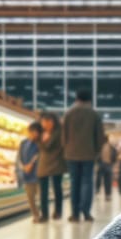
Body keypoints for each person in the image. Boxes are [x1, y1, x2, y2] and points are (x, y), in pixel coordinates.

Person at [62, 88, 105, 222]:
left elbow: (63, 136)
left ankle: (75, 214)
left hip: (71, 154)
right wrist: (96, 151)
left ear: (77, 99)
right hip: (89, 154)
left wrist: (66, 148)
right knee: (87, 182)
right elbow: (100, 136)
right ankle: (86, 212)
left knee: (74, 183)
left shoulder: (68, 114)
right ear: (90, 100)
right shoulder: (94, 114)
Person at [37, 112, 65, 222]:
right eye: (42, 122)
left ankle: (57, 212)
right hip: (44, 163)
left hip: (56, 163)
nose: (43, 124)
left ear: (51, 122)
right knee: (43, 190)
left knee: (57, 188)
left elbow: (46, 147)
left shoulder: (58, 133)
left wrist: (41, 140)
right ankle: (44, 214)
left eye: (44, 122)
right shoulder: (44, 133)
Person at [17, 121, 41, 223]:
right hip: (27, 174)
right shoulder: (23, 143)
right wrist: (23, 167)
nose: (35, 134)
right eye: (33, 131)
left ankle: (42, 214)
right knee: (30, 198)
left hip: (38, 174)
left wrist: (31, 164)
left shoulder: (40, 143)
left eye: (37, 132)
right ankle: (35, 215)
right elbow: (19, 157)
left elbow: (39, 155)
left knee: (40, 197)